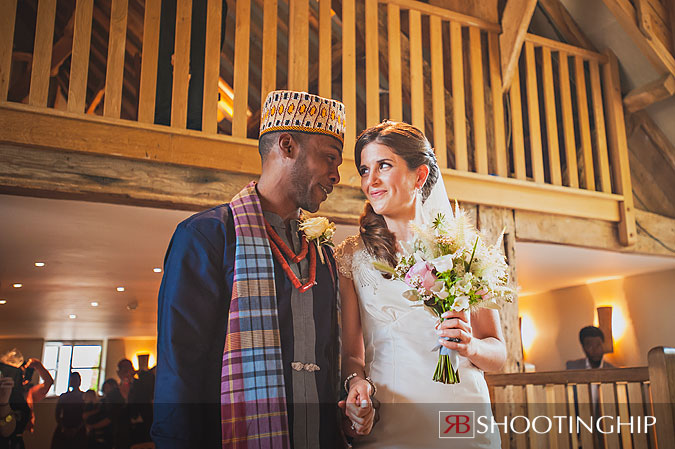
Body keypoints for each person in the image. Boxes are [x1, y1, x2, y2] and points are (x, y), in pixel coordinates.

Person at [153, 90, 348, 448]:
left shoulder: (322, 250)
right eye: (330, 158)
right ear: (287, 145)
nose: (337, 174)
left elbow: (330, 358)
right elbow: (180, 369)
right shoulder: (207, 236)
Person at [334, 121, 504, 448]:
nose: (372, 181)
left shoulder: (465, 250)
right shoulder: (350, 258)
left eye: (384, 166)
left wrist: (470, 346)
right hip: (389, 423)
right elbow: (352, 355)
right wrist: (356, 384)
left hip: (461, 420)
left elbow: (496, 353)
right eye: (365, 169)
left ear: (420, 176)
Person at [51, 372, 85, 449]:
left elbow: (86, 415)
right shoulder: (64, 396)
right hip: (65, 426)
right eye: (72, 380)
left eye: (76, 380)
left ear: (80, 382)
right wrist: (63, 428)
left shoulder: (84, 396)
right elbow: (57, 414)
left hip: (79, 427)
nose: (74, 382)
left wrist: (77, 429)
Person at [21, 358, 53, 434]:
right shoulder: (7, 390)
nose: (23, 379)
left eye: (24, 376)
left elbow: (48, 382)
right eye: (20, 375)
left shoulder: (29, 392)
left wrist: (38, 366)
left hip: (24, 433)